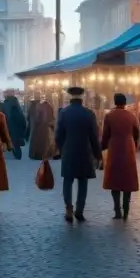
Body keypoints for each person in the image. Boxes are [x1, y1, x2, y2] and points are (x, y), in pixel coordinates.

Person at [55, 86, 101, 223]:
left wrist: (61, 149)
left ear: (70, 97)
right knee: (83, 182)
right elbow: (94, 136)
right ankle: (79, 211)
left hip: (68, 151)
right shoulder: (89, 113)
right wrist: (98, 154)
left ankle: (69, 209)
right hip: (85, 152)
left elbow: (58, 135)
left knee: (68, 181)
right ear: (82, 98)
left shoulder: (64, 113)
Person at [101, 93, 140, 221]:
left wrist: (101, 148)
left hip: (114, 148)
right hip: (128, 148)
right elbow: (137, 133)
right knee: (127, 180)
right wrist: (135, 147)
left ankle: (117, 211)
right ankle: (126, 210)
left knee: (115, 181)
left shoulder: (109, 116)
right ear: (125, 103)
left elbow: (105, 135)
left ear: (114, 102)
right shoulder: (132, 116)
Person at [0, 91, 27, 160]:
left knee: (9, 139)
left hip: (8, 124)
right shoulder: (16, 103)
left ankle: (14, 153)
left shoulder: (4, 104)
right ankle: (17, 153)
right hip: (17, 125)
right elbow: (22, 116)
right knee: (15, 140)